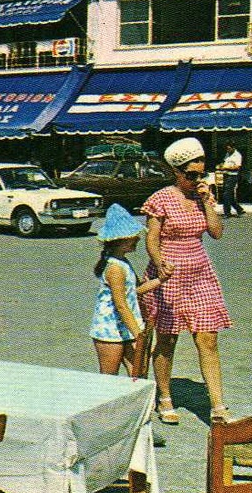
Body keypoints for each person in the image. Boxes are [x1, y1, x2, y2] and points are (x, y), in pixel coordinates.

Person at [141, 137, 233, 426]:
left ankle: (218, 406)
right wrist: (159, 264)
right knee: (167, 339)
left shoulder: (203, 197)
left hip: (200, 273)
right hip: (169, 273)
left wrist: (208, 201)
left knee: (208, 338)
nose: (196, 180)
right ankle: (165, 397)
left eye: (200, 174)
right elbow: (151, 239)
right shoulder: (160, 199)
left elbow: (216, 233)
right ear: (176, 172)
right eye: (190, 175)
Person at [90, 204, 167, 378]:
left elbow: (137, 290)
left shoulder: (123, 262)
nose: (138, 239)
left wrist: (161, 279)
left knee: (138, 376)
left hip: (129, 326)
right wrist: (138, 334)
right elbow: (121, 305)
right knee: (109, 379)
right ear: (120, 240)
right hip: (109, 330)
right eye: (134, 237)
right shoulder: (114, 269)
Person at [217, 143, 244, 217]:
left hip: (232, 176)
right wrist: (221, 165)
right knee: (230, 194)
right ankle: (239, 209)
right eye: (227, 149)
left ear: (233, 148)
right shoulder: (227, 154)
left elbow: (237, 167)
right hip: (226, 175)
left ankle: (227, 212)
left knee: (226, 194)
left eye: (229, 148)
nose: (228, 150)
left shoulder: (237, 156)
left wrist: (226, 168)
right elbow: (224, 162)